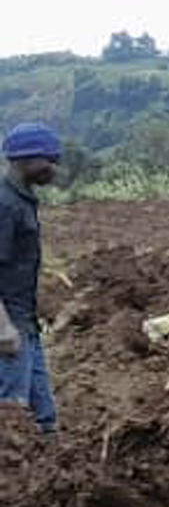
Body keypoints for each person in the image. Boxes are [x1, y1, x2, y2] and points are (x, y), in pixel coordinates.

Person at [0, 122, 62, 434]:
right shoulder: (4, 205)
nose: (55, 167)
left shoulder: (22, 200)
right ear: (26, 160)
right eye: (50, 160)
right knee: (12, 419)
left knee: (45, 419)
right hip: (8, 328)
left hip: (25, 325)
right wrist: (4, 328)